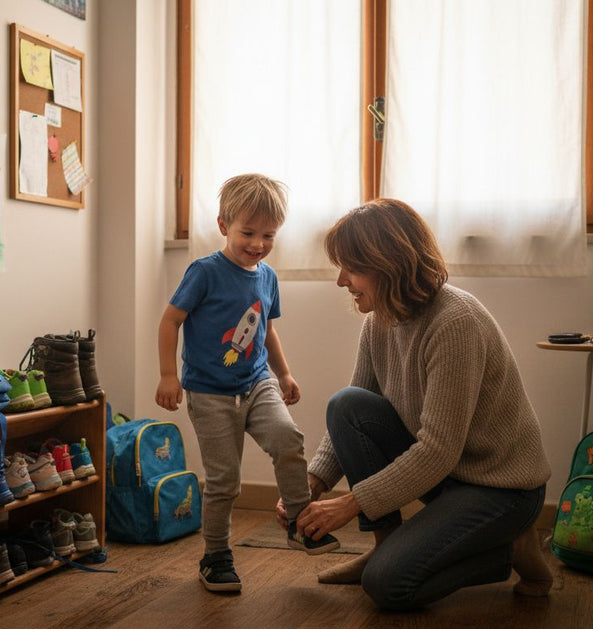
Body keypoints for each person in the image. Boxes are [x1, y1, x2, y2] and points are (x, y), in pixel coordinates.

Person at [280, 198, 553, 610]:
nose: (341, 281)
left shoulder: (455, 322)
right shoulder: (379, 321)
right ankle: (385, 544)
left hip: (502, 489)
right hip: (448, 477)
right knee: (347, 404)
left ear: (388, 265)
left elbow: (437, 450)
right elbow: (352, 418)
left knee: (388, 584)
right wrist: (313, 483)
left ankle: (508, 548)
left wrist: (350, 505)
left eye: (351, 268)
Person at [156, 173, 340, 593]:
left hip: (257, 383)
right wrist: (168, 375)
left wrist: (284, 373)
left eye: (268, 235)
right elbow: (170, 321)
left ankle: (298, 521)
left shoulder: (267, 277)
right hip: (209, 392)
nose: (258, 243)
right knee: (225, 482)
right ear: (224, 225)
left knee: (287, 438)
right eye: (248, 233)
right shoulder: (204, 272)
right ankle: (215, 556)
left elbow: (266, 331)